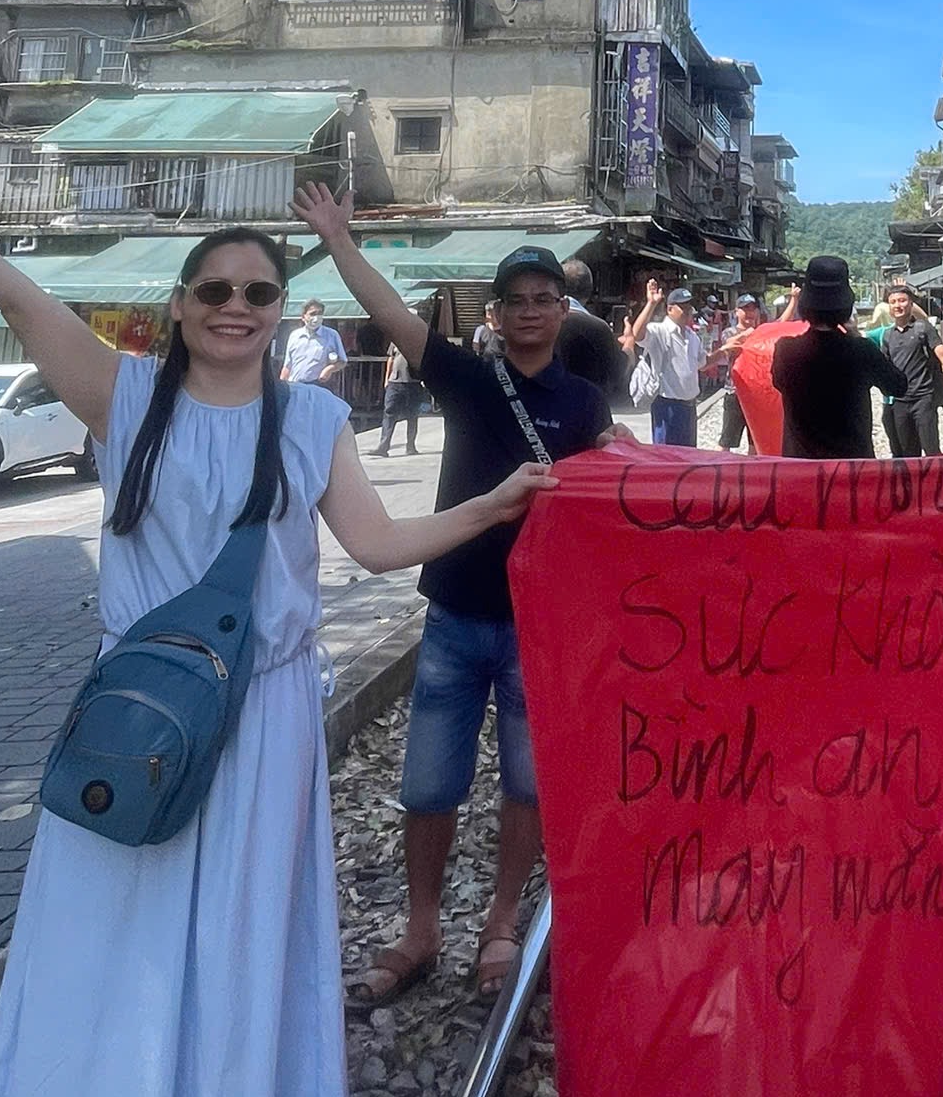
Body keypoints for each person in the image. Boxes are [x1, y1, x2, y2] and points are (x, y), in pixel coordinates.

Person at [0, 134, 550, 1097]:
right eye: (215, 289)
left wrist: (490, 505)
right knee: (107, 964)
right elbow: (8, 286)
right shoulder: (121, 395)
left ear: (281, 310)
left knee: (235, 961)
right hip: (145, 722)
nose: (237, 306)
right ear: (177, 305)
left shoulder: (313, 416)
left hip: (266, 725)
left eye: (258, 292)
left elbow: (377, 545)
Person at [293, 184, 612, 1006]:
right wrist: (338, 240)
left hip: (540, 623)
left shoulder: (585, 404)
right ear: (495, 315)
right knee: (429, 784)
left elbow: (625, 492)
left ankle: (503, 918)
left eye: (544, 299)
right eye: (516, 301)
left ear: (563, 310)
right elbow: (392, 314)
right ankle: (421, 928)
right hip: (456, 616)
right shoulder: (465, 378)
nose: (531, 312)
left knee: (528, 783)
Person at [773, 254, 907, 456]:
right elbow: (898, 386)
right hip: (853, 466)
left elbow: (779, 384)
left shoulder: (786, 350)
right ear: (846, 304)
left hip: (802, 465)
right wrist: (856, 335)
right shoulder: (861, 350)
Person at [880, 285, 943, 455]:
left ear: (911, 303)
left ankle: (935, 473)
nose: (898, 305)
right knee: (907, 454)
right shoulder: (888, 335)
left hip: (924, 398)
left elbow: (942, 353)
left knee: (931, 449)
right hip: (900, 401)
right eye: (893, 302)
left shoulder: (923, 328)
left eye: (902, 300)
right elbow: (884, 367)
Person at [625, 279, 706, 447]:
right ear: (670, 309)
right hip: (667, 405)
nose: (687, 310)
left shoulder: (692, 337)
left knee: (688, 455)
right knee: (665, 454)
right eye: (682, 307)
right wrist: (651, 303)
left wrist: (725, 351)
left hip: (689, 407)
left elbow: (702, 363)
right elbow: (637, 334)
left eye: (688, 306)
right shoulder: (659, 331)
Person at [556, 256, 632, 409]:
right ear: (590, 290)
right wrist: (629, 342)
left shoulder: (542, 321)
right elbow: (619, 371)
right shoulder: (598, 328)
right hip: (587, 412)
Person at [708, 295, 769, 448]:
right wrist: (747, 333)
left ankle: (752, 464)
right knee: (727, 441)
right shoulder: (729, 332)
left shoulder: (761, 332)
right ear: (736, 312)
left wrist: (793, 301)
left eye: (752, 309)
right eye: (745, 309)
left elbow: (780, 324)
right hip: (734, 391)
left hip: (756, 393)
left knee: (755, 442)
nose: (750, 313)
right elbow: (729, 345)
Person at [281, 298, 346, 387]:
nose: (316, 317)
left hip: (318, 385)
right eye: (312, 314)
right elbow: (287, 366)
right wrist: (281, 386)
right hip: (295, 385)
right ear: (303, 317)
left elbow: (342, 361)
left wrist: (328, 369)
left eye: (320, 313)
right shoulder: (294, 335)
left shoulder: (332, 335)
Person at [375, 341, 424, 457]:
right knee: (389, 413)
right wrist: (387, 379)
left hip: (413, 382)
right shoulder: (395, 341)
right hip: (395, 382)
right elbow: (391, 359)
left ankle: (410, 446)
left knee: (412, 415)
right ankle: (383, 446)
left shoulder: (419, 340)